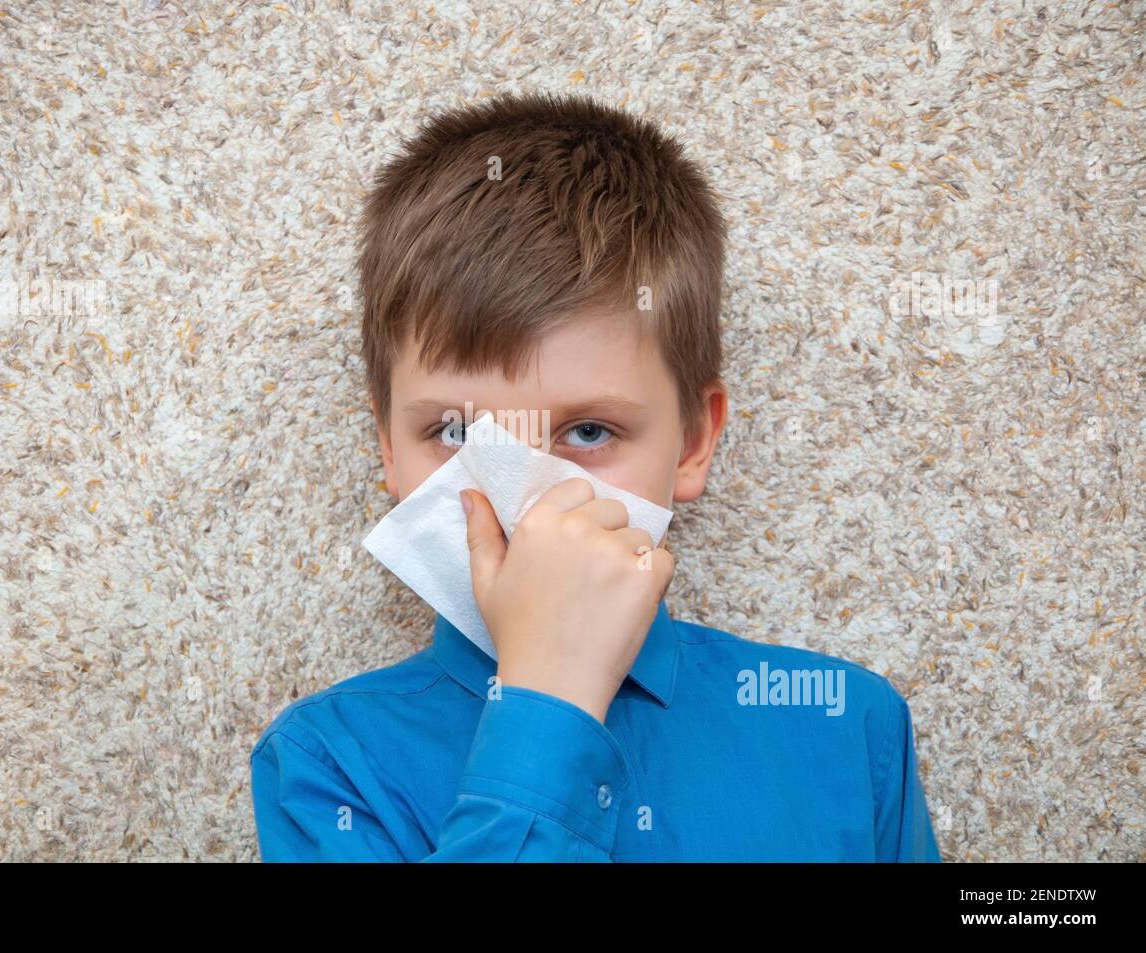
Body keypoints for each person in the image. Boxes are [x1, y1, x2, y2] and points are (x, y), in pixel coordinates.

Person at [250, 92, 940, 862]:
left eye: (587, 431)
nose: (526, 506)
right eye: (455, 431)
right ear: (386, 446)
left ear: (691, 443)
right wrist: (548, 703)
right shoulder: (325, 765)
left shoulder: (847, 730)